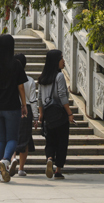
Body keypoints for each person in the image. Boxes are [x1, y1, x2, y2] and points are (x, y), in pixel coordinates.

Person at [0, 34, 27, 182]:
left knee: (1, 139)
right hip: (12, 107)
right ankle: (6, 160)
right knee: (12, 138)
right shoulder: (16, 64)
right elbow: (21, 86)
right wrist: (24, 105)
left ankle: (2, 174)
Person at [38, 48, 75, 180]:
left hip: (48, 115)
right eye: (61, 58)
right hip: (60, 114)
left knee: (50, 141)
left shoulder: (42, 78)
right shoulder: (59, 76)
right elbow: (62, 96)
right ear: (55, 61)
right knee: (62, 142)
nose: (63, 61)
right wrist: (69, 113)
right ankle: (58, 170)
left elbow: (40, 98)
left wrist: (41, 115)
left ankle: (49, 158)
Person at [10, 52, 38, 177]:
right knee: (25, 139)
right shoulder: (30, 80)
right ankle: (21, 168)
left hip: (12, 108)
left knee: (11, 136)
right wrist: (36, 117)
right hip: (26, 110)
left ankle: (12, 159)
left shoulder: (10, 78)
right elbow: (33, 100)